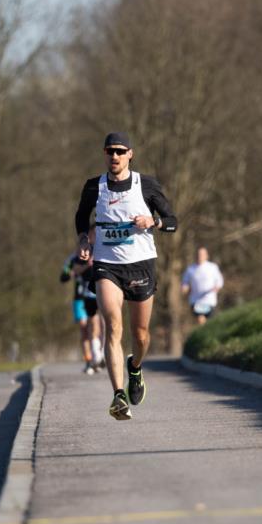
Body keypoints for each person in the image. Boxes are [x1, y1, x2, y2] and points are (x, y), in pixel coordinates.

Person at [75, 132, 177, 420]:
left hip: (141, 264)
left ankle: (135, 367)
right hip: (107, 265)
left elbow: (173, 221)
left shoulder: (145, 185)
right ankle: (118, 396)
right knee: (113, 325)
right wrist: (84, 239)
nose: (115, 156)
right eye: (110, 151)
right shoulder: (94, 187)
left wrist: (152, 221)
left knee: (141, 335)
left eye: (120, 151)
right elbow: (81, 217)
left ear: (130, 154)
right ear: (104, 154)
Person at [60, 226, 104, 374]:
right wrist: (85, 266)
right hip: (80, 297)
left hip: (99, 294)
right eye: (91, 234)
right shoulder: (74, 258)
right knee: (85, 328)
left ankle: (100, 355)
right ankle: (89, 360)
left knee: (100, 326)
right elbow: (64, 276)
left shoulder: (103, 252)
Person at [181, 247, 224, 325]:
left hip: (209, 300)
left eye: (202, 254)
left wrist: (217, 288)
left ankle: (206, 333)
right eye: (198, 254)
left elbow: (219, 281)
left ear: (207, 256)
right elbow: (185, 282)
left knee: (210, 322)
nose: (200, 256)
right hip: (196, 300)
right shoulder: (190, 269)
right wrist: (185, 287)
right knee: (200, 318)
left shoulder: (212, 267)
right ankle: (203, 332)